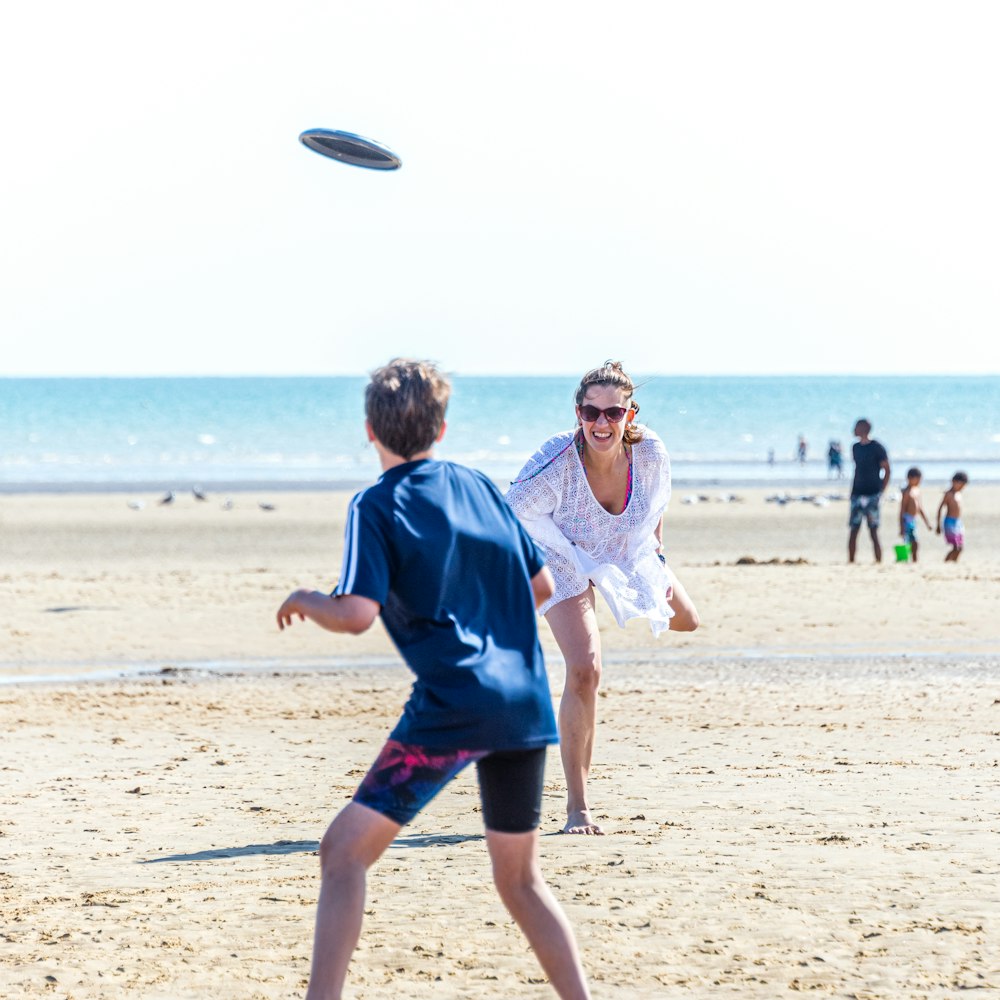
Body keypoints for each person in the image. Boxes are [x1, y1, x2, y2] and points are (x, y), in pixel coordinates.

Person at [276, 359, 591, 1000]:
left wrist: (308, 597)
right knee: (521, 882)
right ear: (441, 428)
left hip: (453, 705)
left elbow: (356, 614)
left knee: (342, 855)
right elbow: (543, 585)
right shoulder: (475, 484)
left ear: (370, 431)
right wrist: (483, 615)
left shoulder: (375, 505)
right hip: (523, 703)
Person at [506, 361, 699, 836]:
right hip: (558, 551)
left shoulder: (651, 452)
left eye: (613, 413)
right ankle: (578, 808)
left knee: (687, 619)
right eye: (591, 412)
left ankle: (611, 590)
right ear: (578, 414)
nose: (601, 423)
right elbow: (509, 511)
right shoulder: (555, 462)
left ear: (630, 414)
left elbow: (656, 506)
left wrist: (653, 561)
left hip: (621, 544)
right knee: (586, 669)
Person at [848, 418, 891, 563]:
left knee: (873, 530)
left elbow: (887, 469)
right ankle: (851, 560)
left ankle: (878, 561)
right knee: (854, 529)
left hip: (873, 493)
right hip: (857, 493)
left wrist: (882, 490)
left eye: (857, 427)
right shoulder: (855, 447)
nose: (854, 429)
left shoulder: (877, 447)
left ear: (864, 428)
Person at [899, 467, 932, 562]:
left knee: (914, 542)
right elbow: (902, 510)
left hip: (913, 519)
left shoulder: (917, 491)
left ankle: (914, 559)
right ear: (910, 478)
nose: (919, 482)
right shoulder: (906, 492)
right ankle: (908, 560)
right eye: (917, 479)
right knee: (910, 541)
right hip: (907, 519)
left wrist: (927, 523)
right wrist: (901, 526)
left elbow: (920, 508)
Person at [936, 471, 969, 562]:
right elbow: (940, 509)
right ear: (954, 482)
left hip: (958, 522)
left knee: (960, 547)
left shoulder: (959, 494)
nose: (962, 487)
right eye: (961, 484)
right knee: (956, 546)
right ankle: (946, 562)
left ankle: (954, 562)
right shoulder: (948, 494)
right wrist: (938, 525)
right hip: (949, 522)